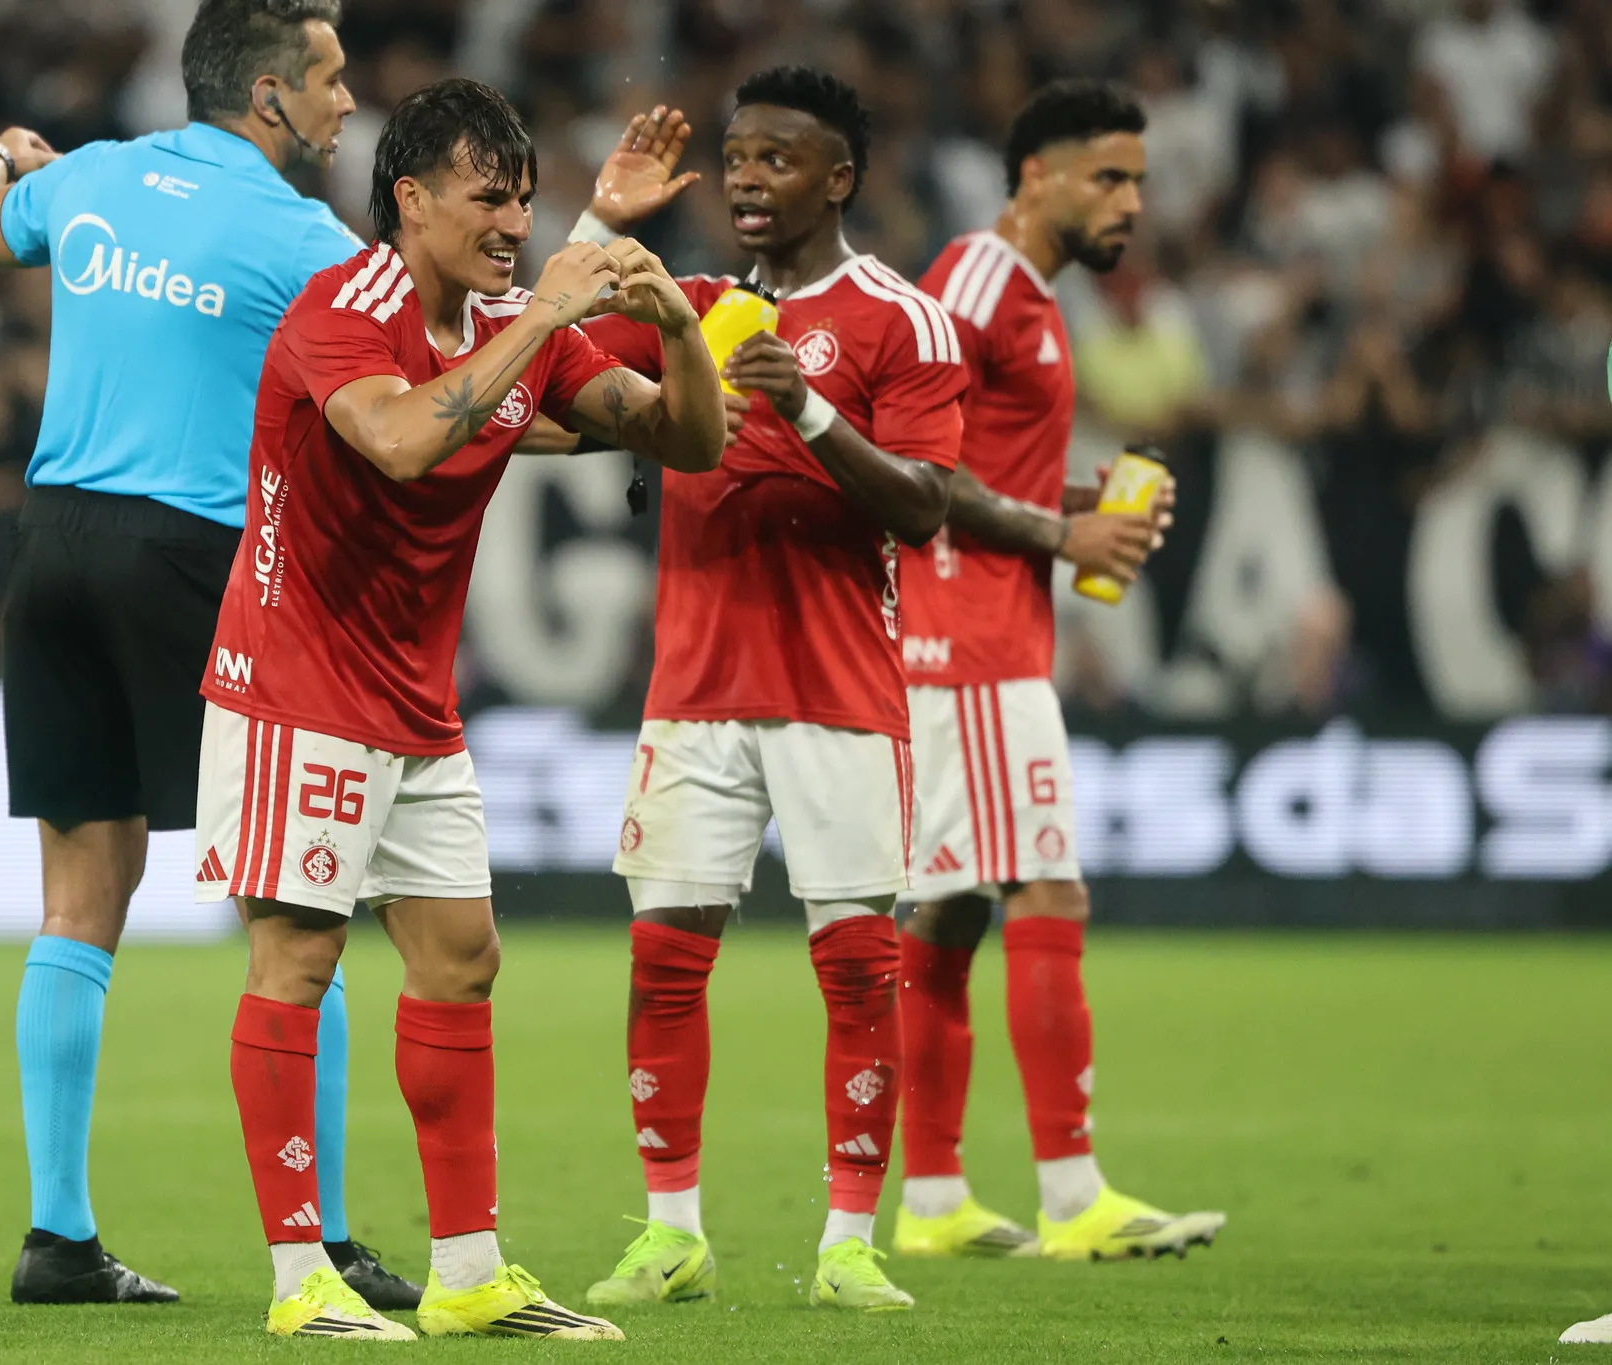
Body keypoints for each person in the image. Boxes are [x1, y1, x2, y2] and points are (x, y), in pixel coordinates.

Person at [196, 76, 724, 1340]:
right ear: (412, 199)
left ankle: (470, 1272)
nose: (515, 222)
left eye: (526, 200)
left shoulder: (507, 322)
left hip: (412, 700)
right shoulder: (340, 311)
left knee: (461, 961)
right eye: (490, 197)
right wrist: (545, 312)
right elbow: (399, 439)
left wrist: (676, 330)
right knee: (296, 962)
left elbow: (687, 444)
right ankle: (300, 1280)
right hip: (296, 682)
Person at [0, 0, 417, 1308]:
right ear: (266, 94)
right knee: (291, 903)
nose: (344, 101)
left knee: (78, 898)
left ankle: (58, 1238)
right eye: (327, 78)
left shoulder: (91, 178)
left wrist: (2, 150)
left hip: (52, 544)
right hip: (194, 560)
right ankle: (322, 1239)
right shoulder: (305, 239)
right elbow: (419, 369)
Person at [565, 69, 964, 1312]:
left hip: (837, 690)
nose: (745, 178)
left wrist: (814, 414)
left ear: (837, 179)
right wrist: (600, 220)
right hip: (693, 689)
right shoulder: (683, 306)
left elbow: (927, 506)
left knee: (857, 970)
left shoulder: (904, 321)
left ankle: (848, 1242)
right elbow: (531, 334)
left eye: (775, 161)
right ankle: (670, 1232)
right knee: (662, 960)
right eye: (735, 158)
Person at [887, 78, 1224, 1261]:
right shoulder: (981, 279)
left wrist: (1077, 503)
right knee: (1045, 892)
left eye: (1139, 180)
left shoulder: (1026, 294)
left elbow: (966, 464)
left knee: (948, 912)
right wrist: (1063, 537)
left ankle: (934, 1201)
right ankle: (1074, 1197)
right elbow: (910, 460)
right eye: (1108, 177)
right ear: (1036, 177)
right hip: (968, 641)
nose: (1131, 201)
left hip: (971, 633)